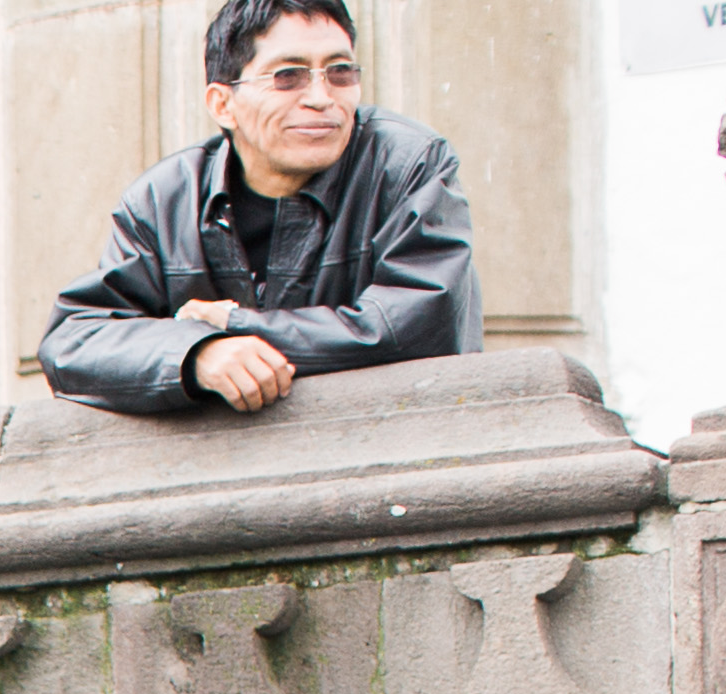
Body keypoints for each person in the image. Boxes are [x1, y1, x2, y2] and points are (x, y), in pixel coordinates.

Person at [41, 3, 472, 421]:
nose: (322, 98)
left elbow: (413, 327)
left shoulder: (410, 165)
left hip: (393, 449)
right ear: (222, 104)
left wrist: (233, 324)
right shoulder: (164, 199)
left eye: (340, 72)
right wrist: (198, 354)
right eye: (288, 76)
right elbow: (73, 341)